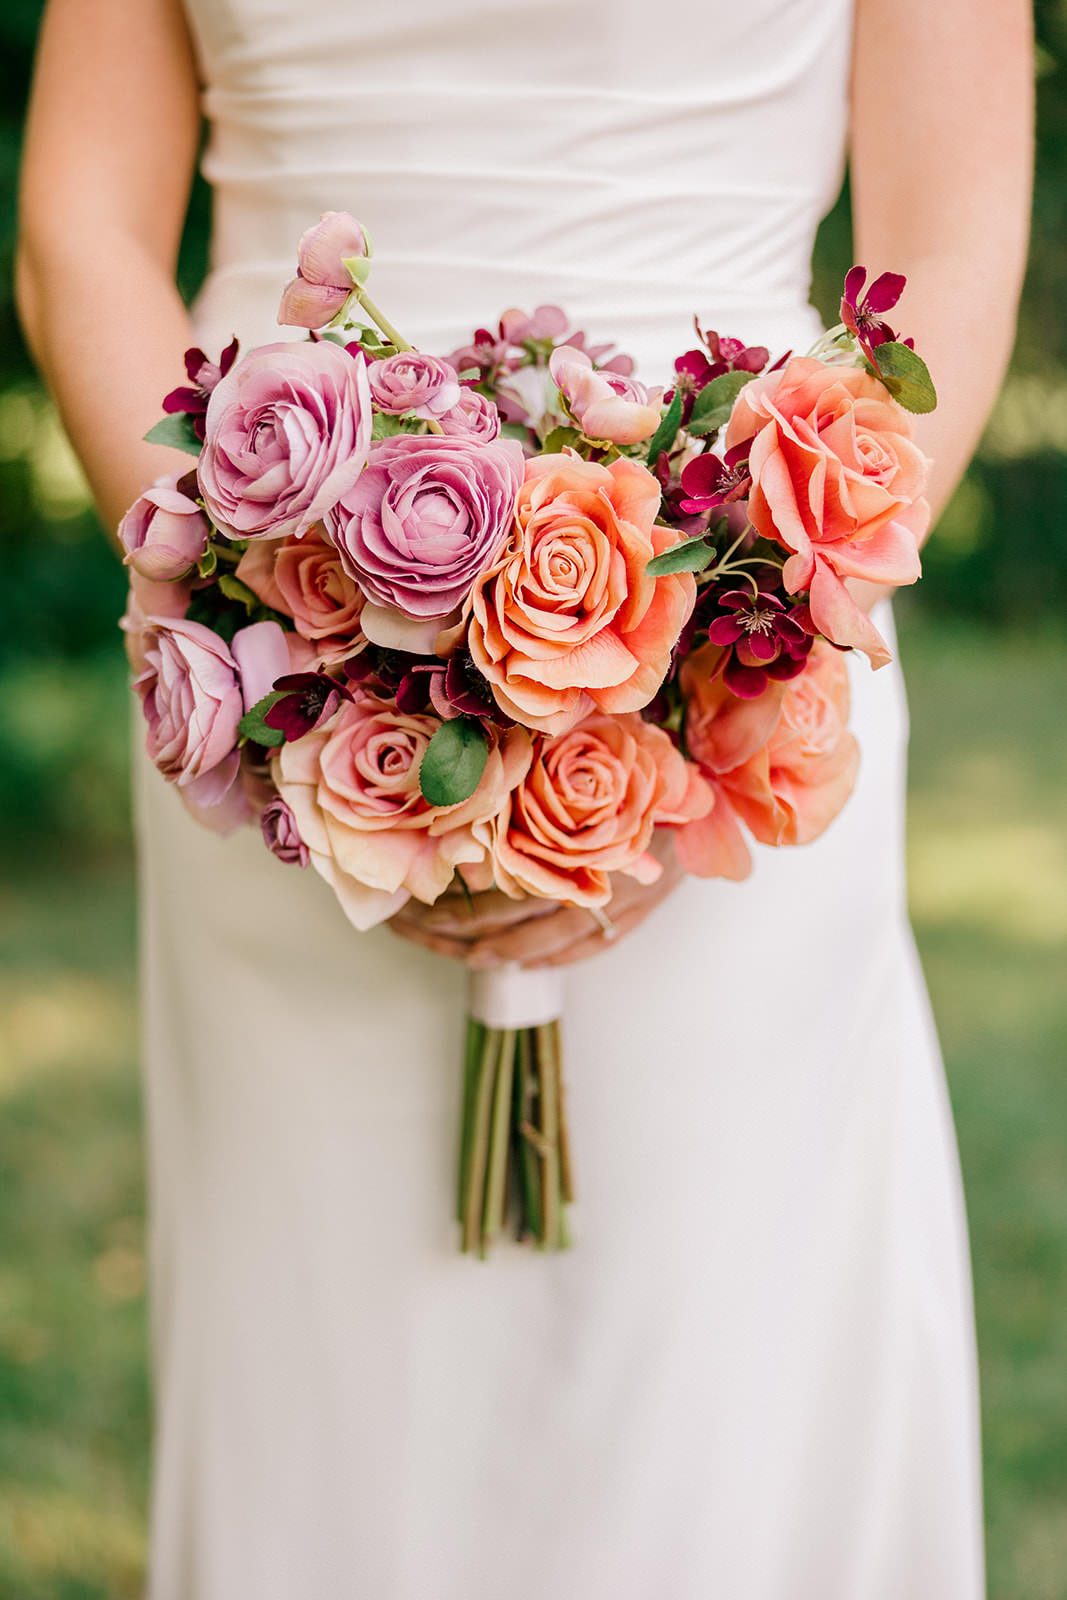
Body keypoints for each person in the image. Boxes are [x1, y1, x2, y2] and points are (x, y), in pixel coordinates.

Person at [16, 1, 1032, 1595]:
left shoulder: (741, 656)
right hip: (276, 640)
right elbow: (78, 227)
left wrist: (725, 684)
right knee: (335, 1372)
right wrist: (257, 621)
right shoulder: (269, 635)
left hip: (740, 611)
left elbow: (952, 235)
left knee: (718, 1357)